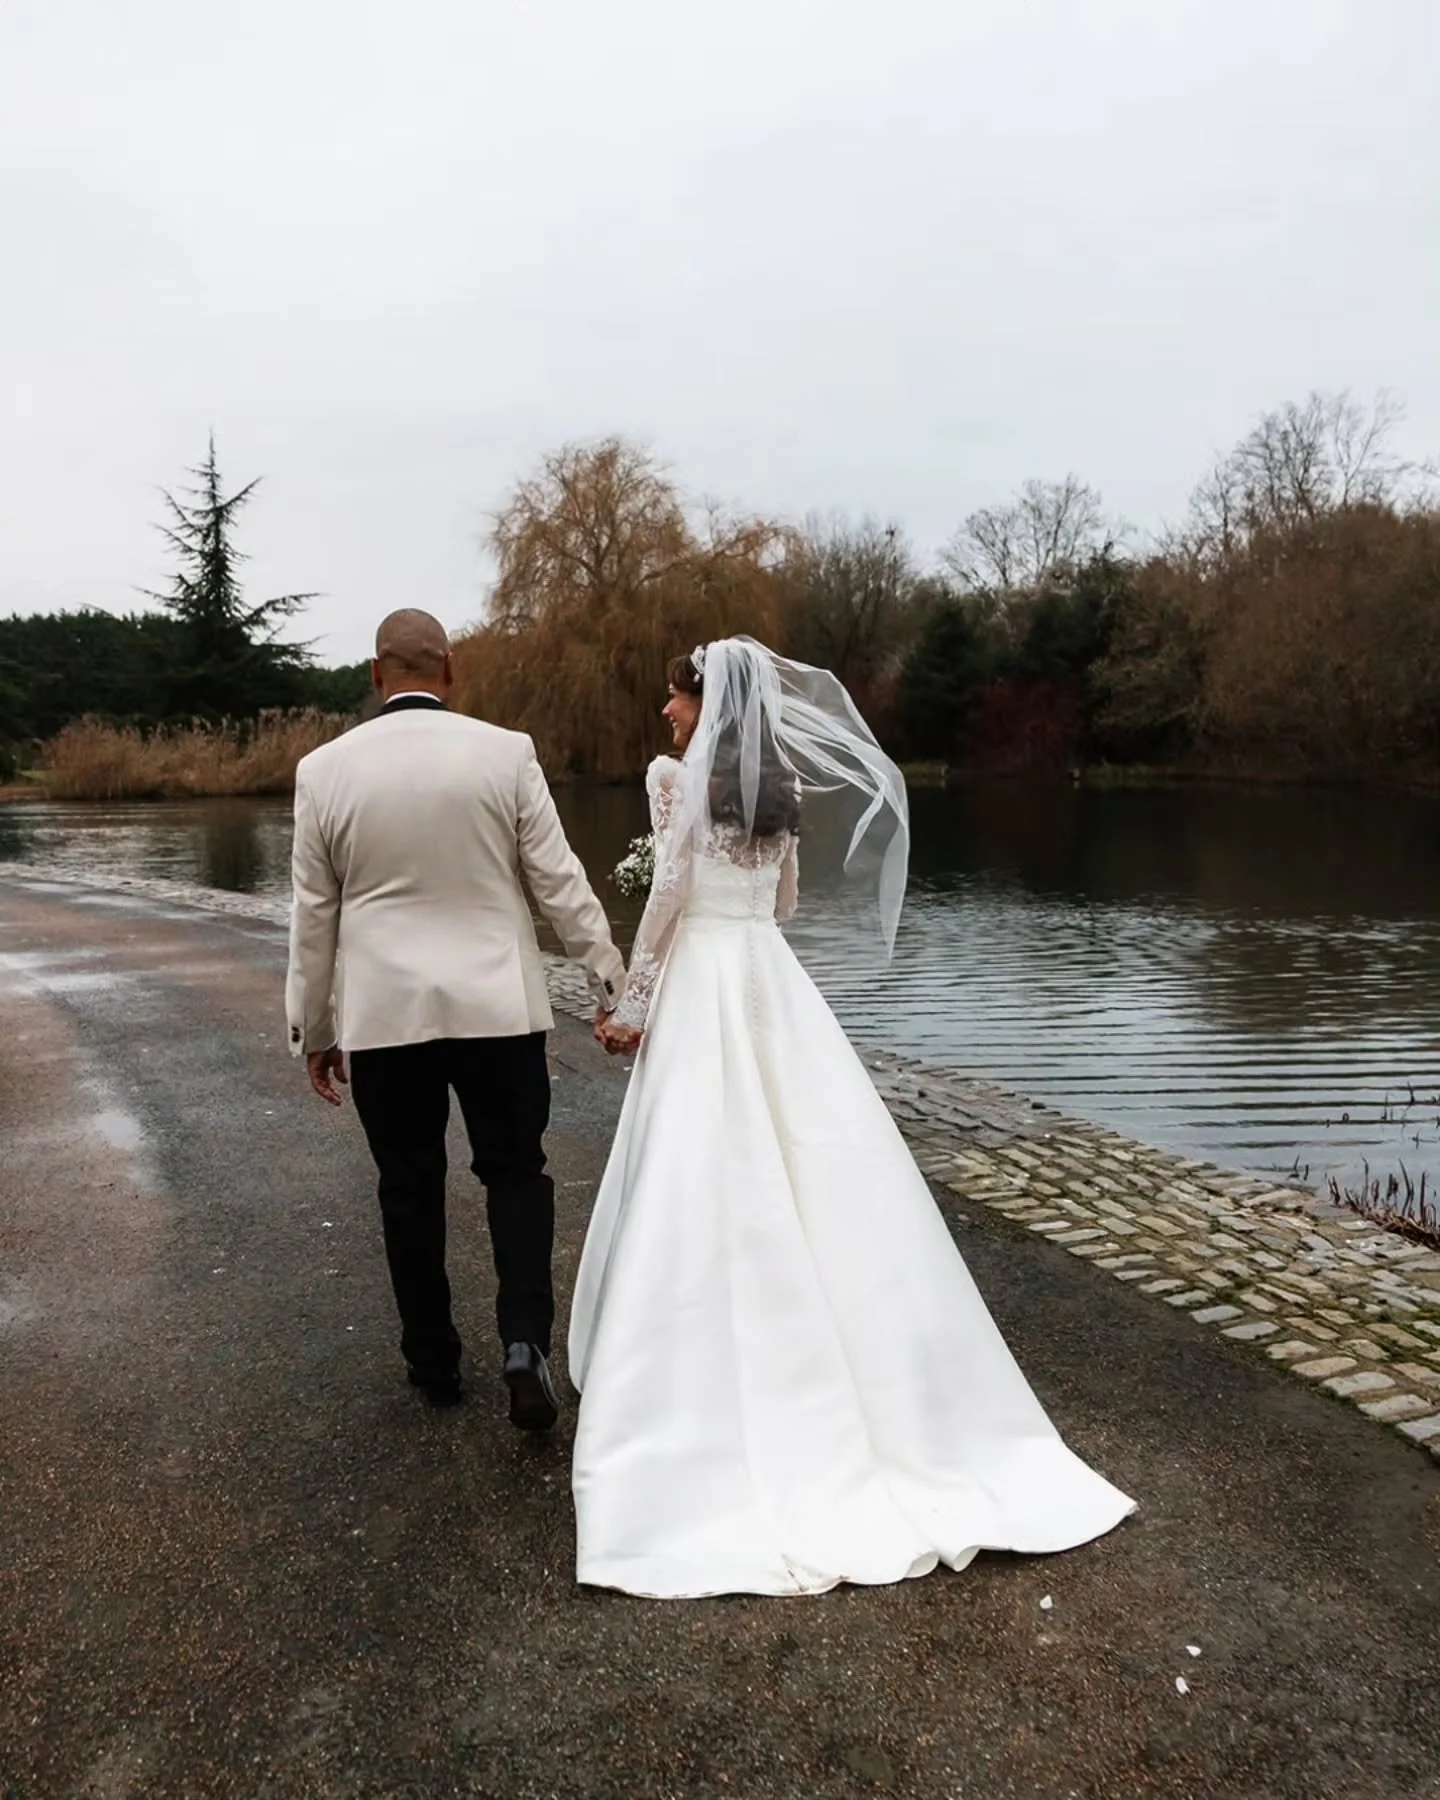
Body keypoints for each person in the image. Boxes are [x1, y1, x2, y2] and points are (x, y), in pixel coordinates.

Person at [571, 637, 1134, 1598]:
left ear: (702, 703)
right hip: (766, 973)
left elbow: (668, 892)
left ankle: (685, 1395)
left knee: (700, 1162)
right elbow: (783, 902)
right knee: (812, 1158)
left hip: (708, 973)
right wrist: (739, 904)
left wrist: (633, 1000)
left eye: (674, 697)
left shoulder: (675, 778)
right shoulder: (780, 788)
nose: (667, 714)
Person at [286, 609, 626, 1422]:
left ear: (376, 675)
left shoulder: (324, 771)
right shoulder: (505, 754)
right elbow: (558, 881)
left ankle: (433, 1361)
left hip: (386, 1017)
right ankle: (523, 1341)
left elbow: (312, 918)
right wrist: (611, 977)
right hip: (498, 1011)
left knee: (408, 1185)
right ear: (452, 669)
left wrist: (315, 1031)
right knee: (516, 1171)